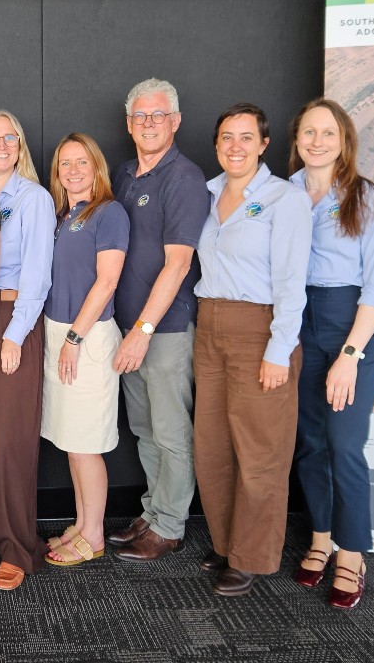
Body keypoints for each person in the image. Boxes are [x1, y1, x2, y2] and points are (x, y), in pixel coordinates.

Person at [192, 103, 311, 596]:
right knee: (213, 446)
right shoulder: (207, 193)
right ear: (217, 144)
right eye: (226, 137)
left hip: (260, 331)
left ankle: (252, 556)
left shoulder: (285, 199)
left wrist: (279, 350)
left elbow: (291, 281)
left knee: (261, 451)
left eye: (246, 137)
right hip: (209, 327)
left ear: (264, 145)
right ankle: (226, 544)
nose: (234, 146)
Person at [289, 98, 374, 609]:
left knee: (344, 444)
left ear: (344, 139)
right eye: (308, 132)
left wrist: (350, 354)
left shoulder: (367, 197)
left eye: (327, 132)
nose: (317, 140)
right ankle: (321, 537)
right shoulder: (282, 193)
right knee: (308, 441)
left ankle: (352, 552)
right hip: (298, 321)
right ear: (296, 140)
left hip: (352, 322)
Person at [107, 79, 209, 563]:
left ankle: (170, 524)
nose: (149, 123)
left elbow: (178, 264)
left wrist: (143, 331)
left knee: (170, 432)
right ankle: (153, 511)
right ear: (129, 124)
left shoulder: (183, 178)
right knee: (145, 429)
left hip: (162, 332)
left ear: (175, 121)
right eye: (140, 116)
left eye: (158, 115)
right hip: (127, 330)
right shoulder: (126, 174)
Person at [0, 109, 55, 590]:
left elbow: (38, 276)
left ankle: (18, 548)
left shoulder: (34, 199)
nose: (0, 145)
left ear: (19, 145)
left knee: (14, 436)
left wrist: (15, 335)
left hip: (13, 317)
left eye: (10, 137)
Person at [42, 133, 129, 567]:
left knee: (85, 445)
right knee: (72, 442)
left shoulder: (108, 213)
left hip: (86, 338)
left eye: (82, 163)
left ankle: (93, 535)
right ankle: (81, 522)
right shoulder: (64, 214)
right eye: (65, 164)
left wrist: (75, 338)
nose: (73, 171)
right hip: (60, 334)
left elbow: (107, 281)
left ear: (96, 167)